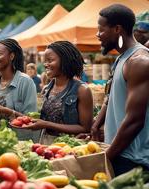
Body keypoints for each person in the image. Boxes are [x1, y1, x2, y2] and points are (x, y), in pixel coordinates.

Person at [93, 4, 149, 176]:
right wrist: (95, 126)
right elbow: (110, 97)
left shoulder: (139, 62)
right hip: (118, 153)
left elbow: (134, 121)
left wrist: (105, 157)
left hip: (133, 161)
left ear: (117, 29)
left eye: (101, 30)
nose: (97, 35)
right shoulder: (121, 60)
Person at [18, 41, 93, 143]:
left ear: (65, 60)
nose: (45, 64)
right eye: (45, 61)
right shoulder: (46, 89)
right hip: (45, 146)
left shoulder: (82, 90)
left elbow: (85, 128)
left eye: (50, 60)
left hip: (70, 148)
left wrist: (46, 124)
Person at [0, 38, 38, 140]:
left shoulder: (25, 82)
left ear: (11, 56)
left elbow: (32, 121)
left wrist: (6, 111)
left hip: (18, 144)